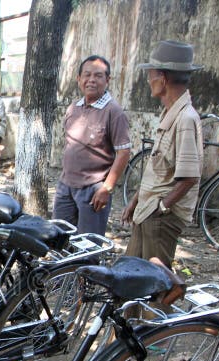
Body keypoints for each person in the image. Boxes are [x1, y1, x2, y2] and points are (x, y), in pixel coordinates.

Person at [122, 40, 204, 268]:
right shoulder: (171, 113)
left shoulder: (186, 118)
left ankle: (175, 290)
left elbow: (189, 178)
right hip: (148, 210)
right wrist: (137, 200)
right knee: (131, 278)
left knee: (154, 289)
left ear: (162, 78)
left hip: (159, 216)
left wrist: (162, 208)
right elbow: (158, 169)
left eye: (150, 75)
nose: (149, 81)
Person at [54, 55, 131, 235]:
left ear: (107, 80)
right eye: (86, 75)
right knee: (59, 239)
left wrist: (107, 188)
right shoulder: (73, 108)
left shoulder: (114, 112)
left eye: (98, 76)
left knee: (88, 246)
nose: (91, 80)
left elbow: (124, 152)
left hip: (93, 189)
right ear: (78, 79)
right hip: (66, 185)